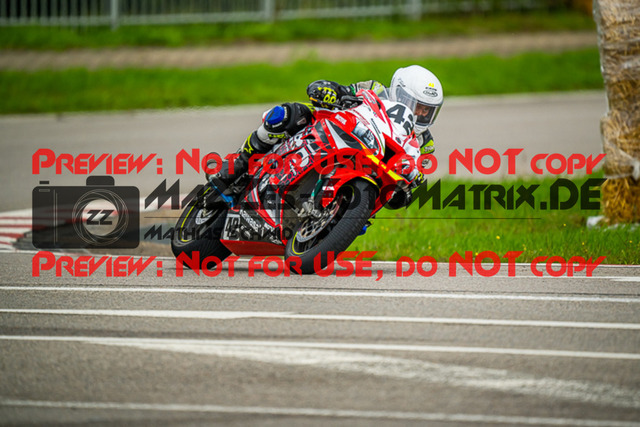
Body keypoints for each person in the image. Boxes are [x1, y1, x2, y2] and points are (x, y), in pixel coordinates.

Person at [207, 65, 443, 208]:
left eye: (427, 111)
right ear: (399, 91)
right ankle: (237, 165)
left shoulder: (424, 143)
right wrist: (331, 91)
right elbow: (346, 91)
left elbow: (412, 184)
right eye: (418, 106)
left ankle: (337, 215)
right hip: (341, 135)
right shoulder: (376, 90)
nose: (420, 114)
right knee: (287, 114)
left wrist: (407, 189)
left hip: (368, 175)